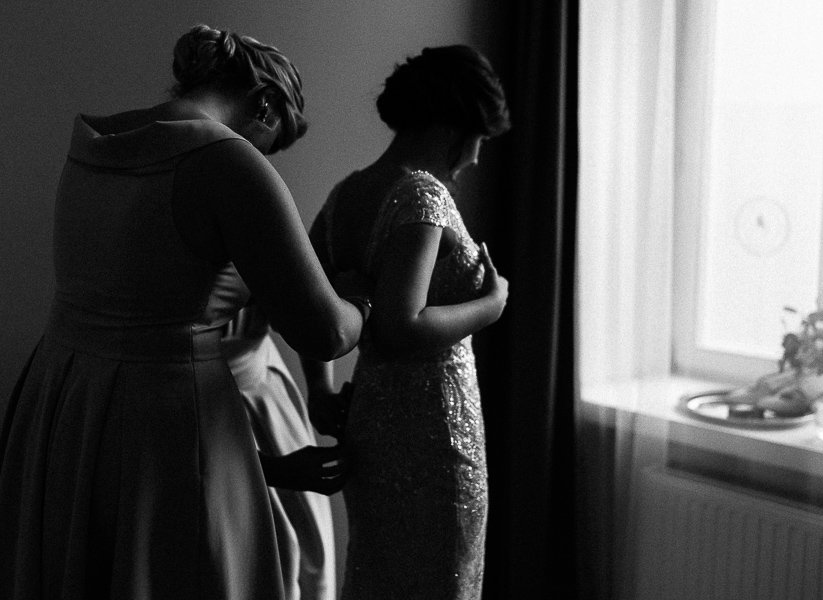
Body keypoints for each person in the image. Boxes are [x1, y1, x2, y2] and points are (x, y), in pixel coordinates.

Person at [0, 24, 369, 599]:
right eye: (272, 142)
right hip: (164, 415)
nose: (265, 156)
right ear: (265, 105)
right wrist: (363, 304)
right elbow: (325, 331)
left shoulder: (97, 141)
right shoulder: (229, 162)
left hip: (64, 397)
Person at [301, 45, 511, 600]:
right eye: (481, 138)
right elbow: (402, 325)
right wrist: (492, 305)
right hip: (435, 431)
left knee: (380, 574)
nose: (476, 158)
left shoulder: (346, 194)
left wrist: (318, 390)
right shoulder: (423, 194)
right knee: (441, 579)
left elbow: (310, 306)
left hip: (373, 420)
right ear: (455, 126)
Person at [221, 299, 341, 600]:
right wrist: (364, 304)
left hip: (262, 394)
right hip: (182, 410)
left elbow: (307, 312)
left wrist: (320, 387)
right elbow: (332, 328)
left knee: (303, 551)